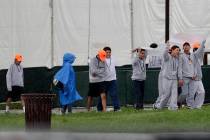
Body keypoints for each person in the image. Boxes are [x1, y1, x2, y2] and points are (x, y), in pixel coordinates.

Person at [178, 41, 205, 108]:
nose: (186, 46)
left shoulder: (193, 55)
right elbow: (180, 68)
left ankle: (194, 106)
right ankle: (179, 102)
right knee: (186, 93)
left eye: (187, 45)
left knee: (198, 92)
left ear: (190, 47)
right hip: (185, 78)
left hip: (193, 78)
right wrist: (180, 78)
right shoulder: (181, 56)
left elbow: (194, 67)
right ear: (183, 47)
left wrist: (202, 45)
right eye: (185, 45)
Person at [154, 45, 181, 110]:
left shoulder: (177, 59)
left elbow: (178, 69)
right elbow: (164, 54)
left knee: (174, 93)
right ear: (172, 50)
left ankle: (173, 107)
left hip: (174, 79)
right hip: (166, 78)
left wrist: (179, 78)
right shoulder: (167, 57)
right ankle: (159, 106)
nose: (178, 52)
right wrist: (167, 48)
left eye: (178, 50)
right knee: (166, 94)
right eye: (177, 50)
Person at [97, 46, 121, 112]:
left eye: (109, 52)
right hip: (103, 81)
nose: (108, 54)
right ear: (104, 53)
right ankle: (99, 109)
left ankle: (117, 108)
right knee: (102, 96)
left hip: (112, 80)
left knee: (114, 94)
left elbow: (115, 66)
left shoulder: (113, 58)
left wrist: (115, 76)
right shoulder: (101, 59)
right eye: (107, 52)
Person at [191, 41, 206, 109]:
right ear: (194, 49)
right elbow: (198, 52)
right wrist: (202, 45)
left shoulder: (199, 58)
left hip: (199, 79)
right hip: (192, 79)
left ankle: (197, 106)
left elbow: (201, 52)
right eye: (197, 49)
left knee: (202, 92)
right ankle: (190, 106)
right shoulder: (193, 55)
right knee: (191, 94)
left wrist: (202, 47)